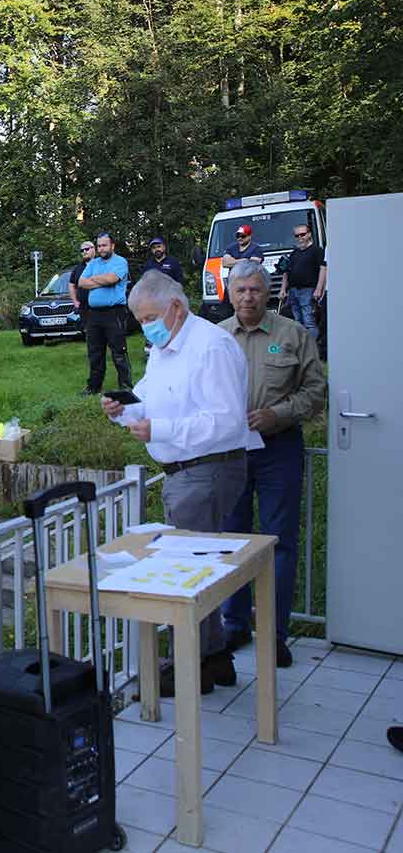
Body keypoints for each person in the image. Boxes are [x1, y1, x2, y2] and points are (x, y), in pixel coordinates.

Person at [101, 270, 259, 696]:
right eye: (139, 319)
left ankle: (196, 664)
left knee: (189, 570)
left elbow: (226, 422)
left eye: (150, 315)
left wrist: (163, 429)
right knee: (195, 566)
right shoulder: (163, 347)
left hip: (207, 468)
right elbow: (150, 401)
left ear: (176, 307)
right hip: (184, 470)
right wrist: (125, 412)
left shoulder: (211, 346)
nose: (145, 325)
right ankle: (214, 658)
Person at [219, 261, 326, 668]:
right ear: (230, 292)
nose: (248, 297)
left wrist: (277, 414)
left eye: (255, 290)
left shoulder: (293, 334)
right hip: (229, 452)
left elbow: (316, 393)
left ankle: (275, 634)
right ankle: (234, 623)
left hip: (279, 448)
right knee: (233, 540)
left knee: (278, 543)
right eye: (241, 289)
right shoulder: (217, 338)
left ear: (269, 293)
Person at [77, 231, 133, 395]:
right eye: (99, 246)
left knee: (118, 351)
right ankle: (94, 386)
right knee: (95, 352)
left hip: (114, 313)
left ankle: (126, 386)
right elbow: (81, 282)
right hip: (94, 314)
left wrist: (94, 280)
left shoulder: (120, 261)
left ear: (112, 246)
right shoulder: (93, 263)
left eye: (104, 245)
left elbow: (112, 279)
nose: (101, 249)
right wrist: (103, 280)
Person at [281, 223, 327, 341]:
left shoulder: (317, 251)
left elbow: (323, 269)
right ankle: (301, 347)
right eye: (297, 235)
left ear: (309, 234)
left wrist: (318, 289)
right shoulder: (294, 253)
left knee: (309, 321)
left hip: (308, 290)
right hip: (293, 291)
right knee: (297, 322)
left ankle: (312, 348)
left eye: (303, 234)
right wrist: (283, 289)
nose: (300, 237)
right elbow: (286, 272)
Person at [69, 240, 95, 318]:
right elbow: (71, 285)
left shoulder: (101, 264)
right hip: (83, 309)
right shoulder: (77, 268)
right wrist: (75, 302)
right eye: (82, 250)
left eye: (87, 249)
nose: (84, 251)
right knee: (85, 329)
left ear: (93, 249)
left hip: (99, 308)